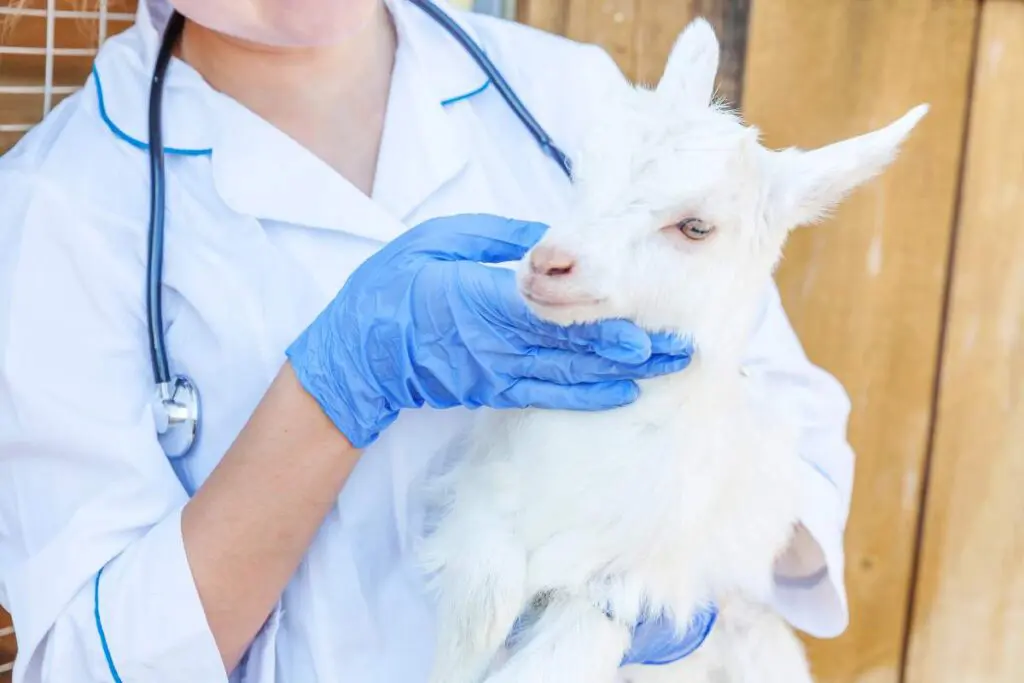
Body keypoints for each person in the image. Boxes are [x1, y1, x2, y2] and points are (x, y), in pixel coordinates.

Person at [0, 0, 855, 681]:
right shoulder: (54, 212)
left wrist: (675, 560)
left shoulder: (574, 97)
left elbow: (798, 441)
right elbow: (96, 663)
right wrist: (338, 388)